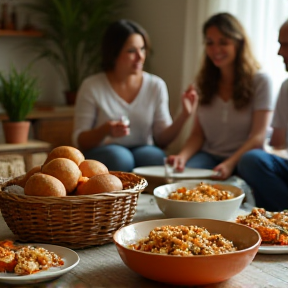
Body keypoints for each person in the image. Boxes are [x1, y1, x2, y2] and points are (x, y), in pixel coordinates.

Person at [72, 19, 197, 171]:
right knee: (121, 158)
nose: (140, 57)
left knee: (156, 157)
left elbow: (162, 140)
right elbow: (79, 141)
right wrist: (105, 130)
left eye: (143, 49)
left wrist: (184, 115)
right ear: (114, 53)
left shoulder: (155, 85)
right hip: (105, 151)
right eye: (131, 51)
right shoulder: (92, 86)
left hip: (143, 148)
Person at [167, 12, 273, 180]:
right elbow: (197, 135)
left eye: (223, 42)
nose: (215, 49)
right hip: (209, 156)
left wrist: (230, 164)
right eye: (210, 43)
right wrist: (182, 157)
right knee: (181, 179)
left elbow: (258, 137)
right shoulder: (203, 82)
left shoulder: (260, 81)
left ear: (238, 44)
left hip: (244, 159)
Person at [237, 19, 288, 211]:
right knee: (252, 160)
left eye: (286, 45)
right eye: (279, 44)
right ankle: (279, 218)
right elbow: (278, 144)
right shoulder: (286, 87)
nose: (279, 52)